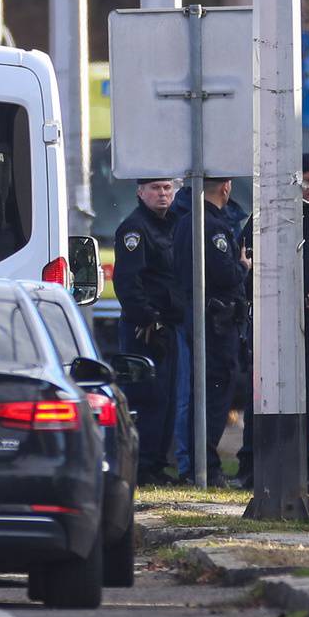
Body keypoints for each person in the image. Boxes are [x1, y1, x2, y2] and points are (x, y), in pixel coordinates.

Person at [239, 154, 309, 488]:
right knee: (261, 392)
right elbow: (243, 262)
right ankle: (252, 466)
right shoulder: (268, 216)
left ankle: (299, 466)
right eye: (308, 181)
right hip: (270, 319)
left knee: (307, 394)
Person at [168, 177, 249, 485]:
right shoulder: (212, 226)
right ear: (225, 187)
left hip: (200, 318)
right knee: (215, 394)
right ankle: (208, 466)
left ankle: (196, 464)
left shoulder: (186, 221)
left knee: (199, 392)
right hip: (216, 322)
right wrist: (243, 266)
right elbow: (225, 274)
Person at [113, 177, 183, 484]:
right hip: (145, 329)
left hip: (167, 324)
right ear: (141, 192)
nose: (163, 194)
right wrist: (147, 319)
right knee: (146, 397)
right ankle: (141, 466)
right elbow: (128, 282)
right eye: (155, 188)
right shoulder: (135, 228)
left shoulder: (173, 224)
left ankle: (155, 464)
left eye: (167, 187)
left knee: (166, 398)